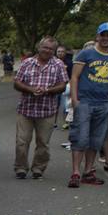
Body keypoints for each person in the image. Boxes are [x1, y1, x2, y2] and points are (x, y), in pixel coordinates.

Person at [67, 23, 108, 188]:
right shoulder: (86, 54)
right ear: (98, 36)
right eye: (103, 35)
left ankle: (88, 170)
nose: (106, 38)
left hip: (104, 104)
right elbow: (75, 77)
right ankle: (75, 172)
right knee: (81, 137)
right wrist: (75, 100)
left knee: (96, 139)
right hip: (85, 102)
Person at [12, 37, 68, 179]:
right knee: (22, 141)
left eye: (51, 49)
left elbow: (63, 85)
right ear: (39, 47)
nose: (47, 51)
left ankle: (38, 168)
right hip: (26, 109)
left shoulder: (58, 64)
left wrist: (48, 90)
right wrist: (30, 89)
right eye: (45, 47)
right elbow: (17, 83)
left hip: (47, 110)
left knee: (43, 143)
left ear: (54, 51)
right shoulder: (27, 63)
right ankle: (21, 168)